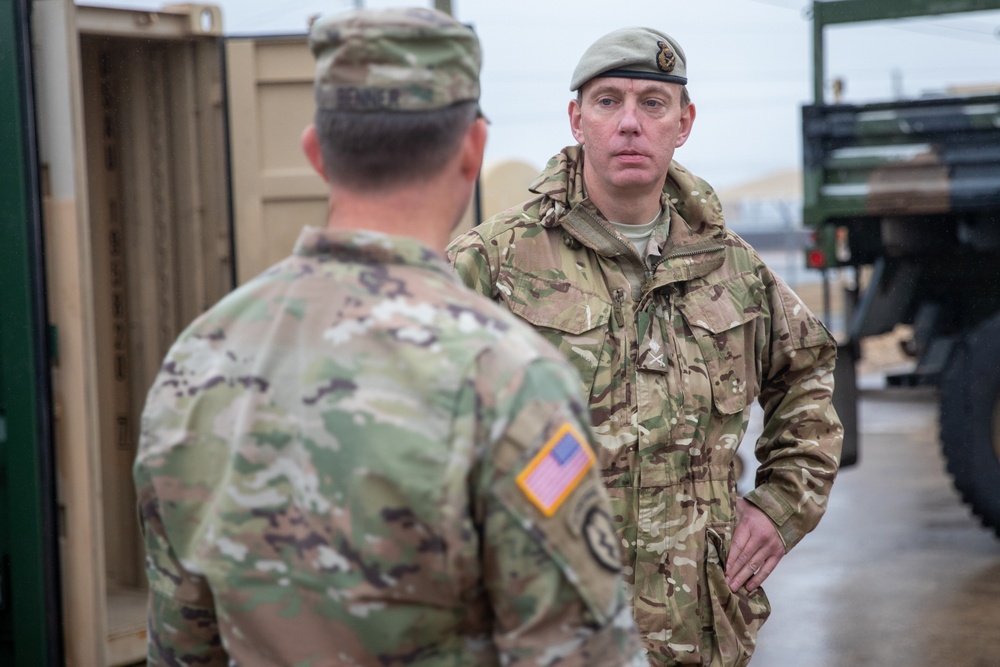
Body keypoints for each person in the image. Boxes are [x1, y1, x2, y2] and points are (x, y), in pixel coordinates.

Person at [132, 8, 647, 666]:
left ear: (316, 151)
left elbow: (180, 647)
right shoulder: (511, 380)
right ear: (473, 148)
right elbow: (582, 652)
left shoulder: (195, 363)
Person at [447, 26, 843, 667]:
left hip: (698, 624)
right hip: (547, 627)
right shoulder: (493, 263)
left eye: (652, 104)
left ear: (683, 123)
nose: (629, 123)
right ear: (577, 119)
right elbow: (411, 417)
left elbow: (807, 375)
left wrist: (780, 506)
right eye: (608, 101)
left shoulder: (733, 268)